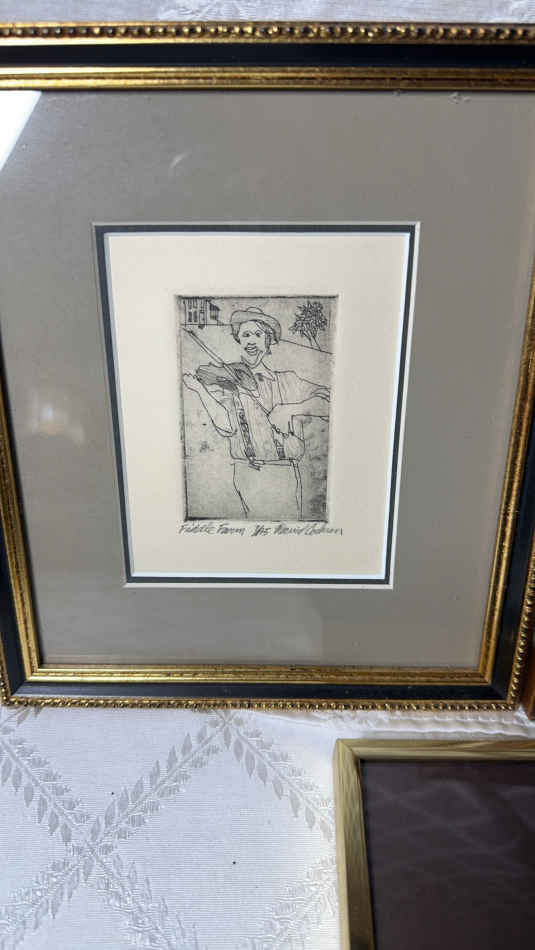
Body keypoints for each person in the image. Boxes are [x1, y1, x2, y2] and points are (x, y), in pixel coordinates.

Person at [183, 305, 329, 520]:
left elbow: (329, 400)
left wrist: (289, 410)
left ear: (268, 341)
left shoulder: (287, 381)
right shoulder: (229, 383)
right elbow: (226, 427)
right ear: (238, 340)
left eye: (258, 335)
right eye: (245, 335)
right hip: (245, 472)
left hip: (283, 473)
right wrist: (200, 390)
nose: (251, 341)